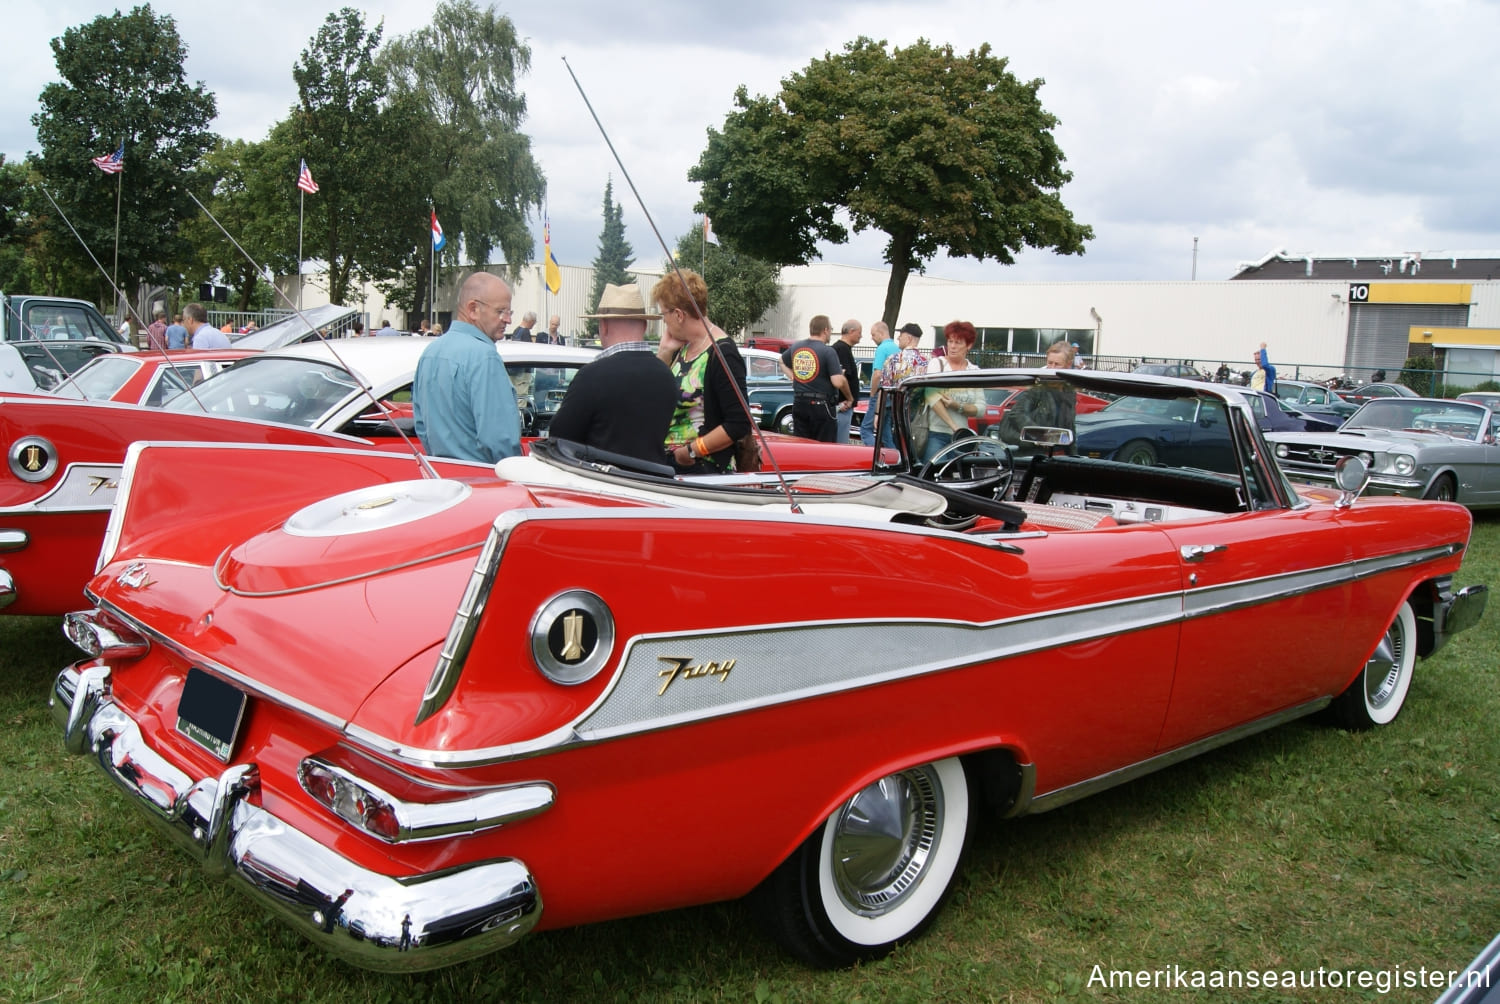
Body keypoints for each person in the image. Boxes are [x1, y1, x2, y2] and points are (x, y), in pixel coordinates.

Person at [549, 283, 676, 464]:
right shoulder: (666, 376)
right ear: (645, 325)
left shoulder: (592, 376)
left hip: (602, 485)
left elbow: (559, 439)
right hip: (652, 485)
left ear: (604, 326)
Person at [412, 272, 522, 463]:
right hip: (484, 480)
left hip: (443, 478)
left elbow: (422, 424)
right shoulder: (485, 357)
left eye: (509, 313)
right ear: (473, 309)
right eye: (501, 311)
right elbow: (499, 438)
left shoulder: (431, 352)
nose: (508, 320)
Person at [653, 269, 753, 473]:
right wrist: (664, 352)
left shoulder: (722, 353)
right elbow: (654, 396)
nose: (664, 322)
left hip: (703, 471)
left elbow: (739, 423)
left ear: (679, 315)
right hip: (672, 465)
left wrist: (691, 451)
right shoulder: (682, 348)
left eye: (664, 314)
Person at [922, 320, 986, 462]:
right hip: (937, 434)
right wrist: (954, 427)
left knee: (960, 479)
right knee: (932, 475)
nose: (952, 346)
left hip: (962, 438)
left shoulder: (974, 371)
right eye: (950, 341)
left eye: (958, 343)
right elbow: (931, 396)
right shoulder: (937, 364)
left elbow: (981, 409)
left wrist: (957, 406)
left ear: (968, 346)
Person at [996, 339, 1078, 448]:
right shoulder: (1039, 388)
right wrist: (1041, 436)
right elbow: (1016, 413)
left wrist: (1073, 456)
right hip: (1032, 454)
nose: (1051, 368)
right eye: (1049, 363)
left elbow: (1070, 428)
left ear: (1068, 365)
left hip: (1055, 454)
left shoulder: (1070, 392)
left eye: (1057, 364)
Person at [780, 314, 850, 442]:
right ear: (825, 330)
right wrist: (842, 377)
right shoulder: (828, 351)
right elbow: (837, 382)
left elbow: (781, 361)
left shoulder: (797, 347)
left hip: (799, 402)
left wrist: (794, 377)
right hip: (821, 406)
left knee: (801, 444)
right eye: (831, 330)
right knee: (824, 447)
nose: (830, 333)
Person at [880, 323, 929, 449]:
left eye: (900, 336)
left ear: (908, 338)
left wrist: (877, 413)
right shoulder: (925, 362)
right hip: (916, 412)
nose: (898, 339)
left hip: (895, 410)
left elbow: (885, 387)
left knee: (894, 442)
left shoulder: (893, 359)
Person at [861, 321, 895, 445]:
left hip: (879, 394)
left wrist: (872, 393)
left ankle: (873, 457)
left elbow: (877, 374)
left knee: (866, 429)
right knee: (885, 432)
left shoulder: (882, 349)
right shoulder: (896, 348)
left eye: (873, 335)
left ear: (881, 333)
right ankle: (895, 458)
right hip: (892, 394)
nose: (872, 338)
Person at [832, 318, 864, 442]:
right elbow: (842, 377)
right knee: (841, 442)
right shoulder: (842, 350)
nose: (861, 336)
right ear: (851, 331)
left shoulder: (842, 349)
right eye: (859, 332)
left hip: (843, 404)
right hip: (843, 405)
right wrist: (848, 399)